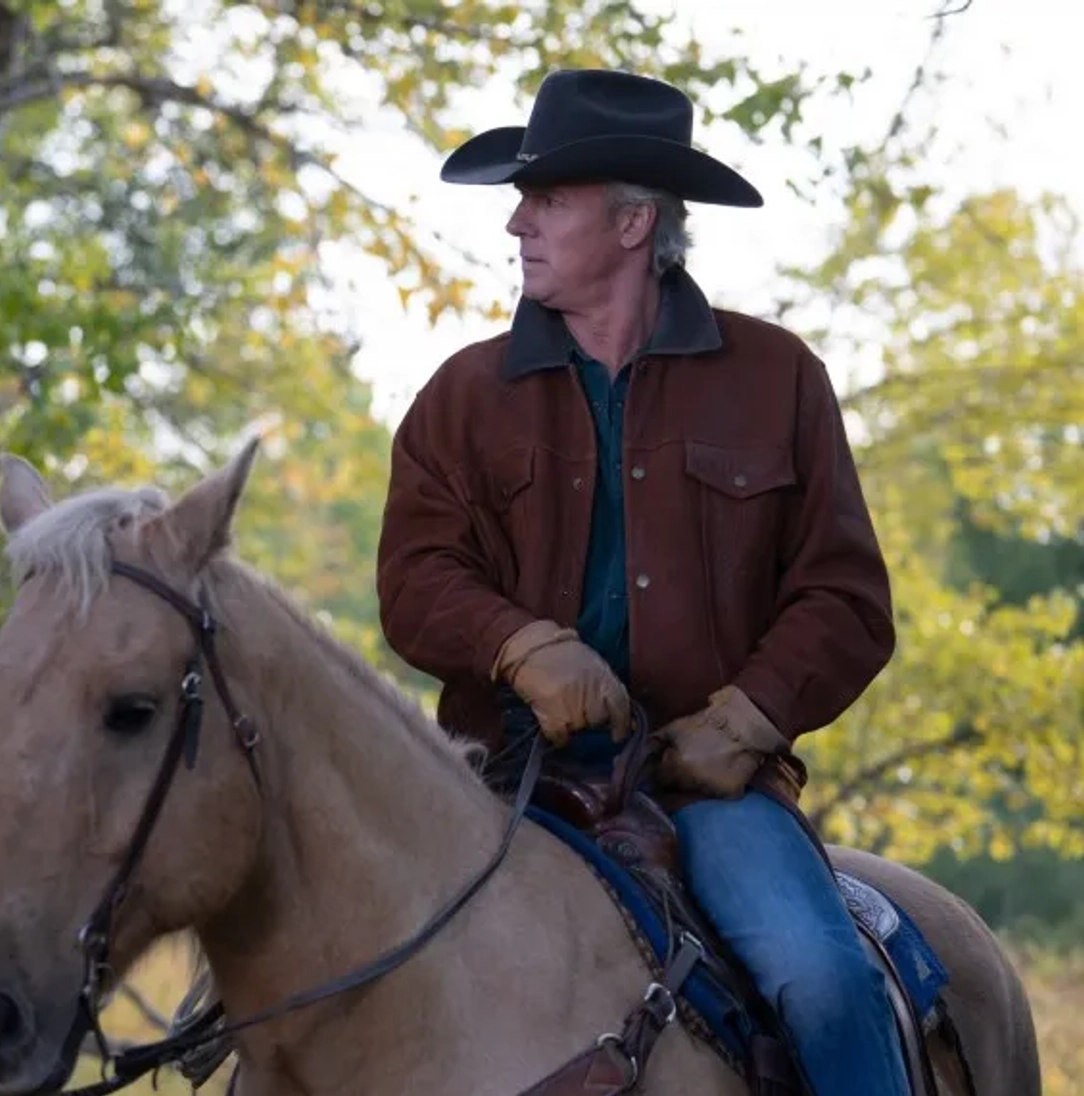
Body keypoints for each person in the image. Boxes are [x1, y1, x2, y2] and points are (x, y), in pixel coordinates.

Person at [374, 69, 906, 1096]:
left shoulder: (777, 376)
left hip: (709, 790)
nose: (516, 224)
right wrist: (521, 646)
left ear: (633, 222)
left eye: (548, 200)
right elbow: (415, 577)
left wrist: (750, 720)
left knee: (826, 981)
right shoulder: (462, 396)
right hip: (501, 781)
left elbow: (845, 595)